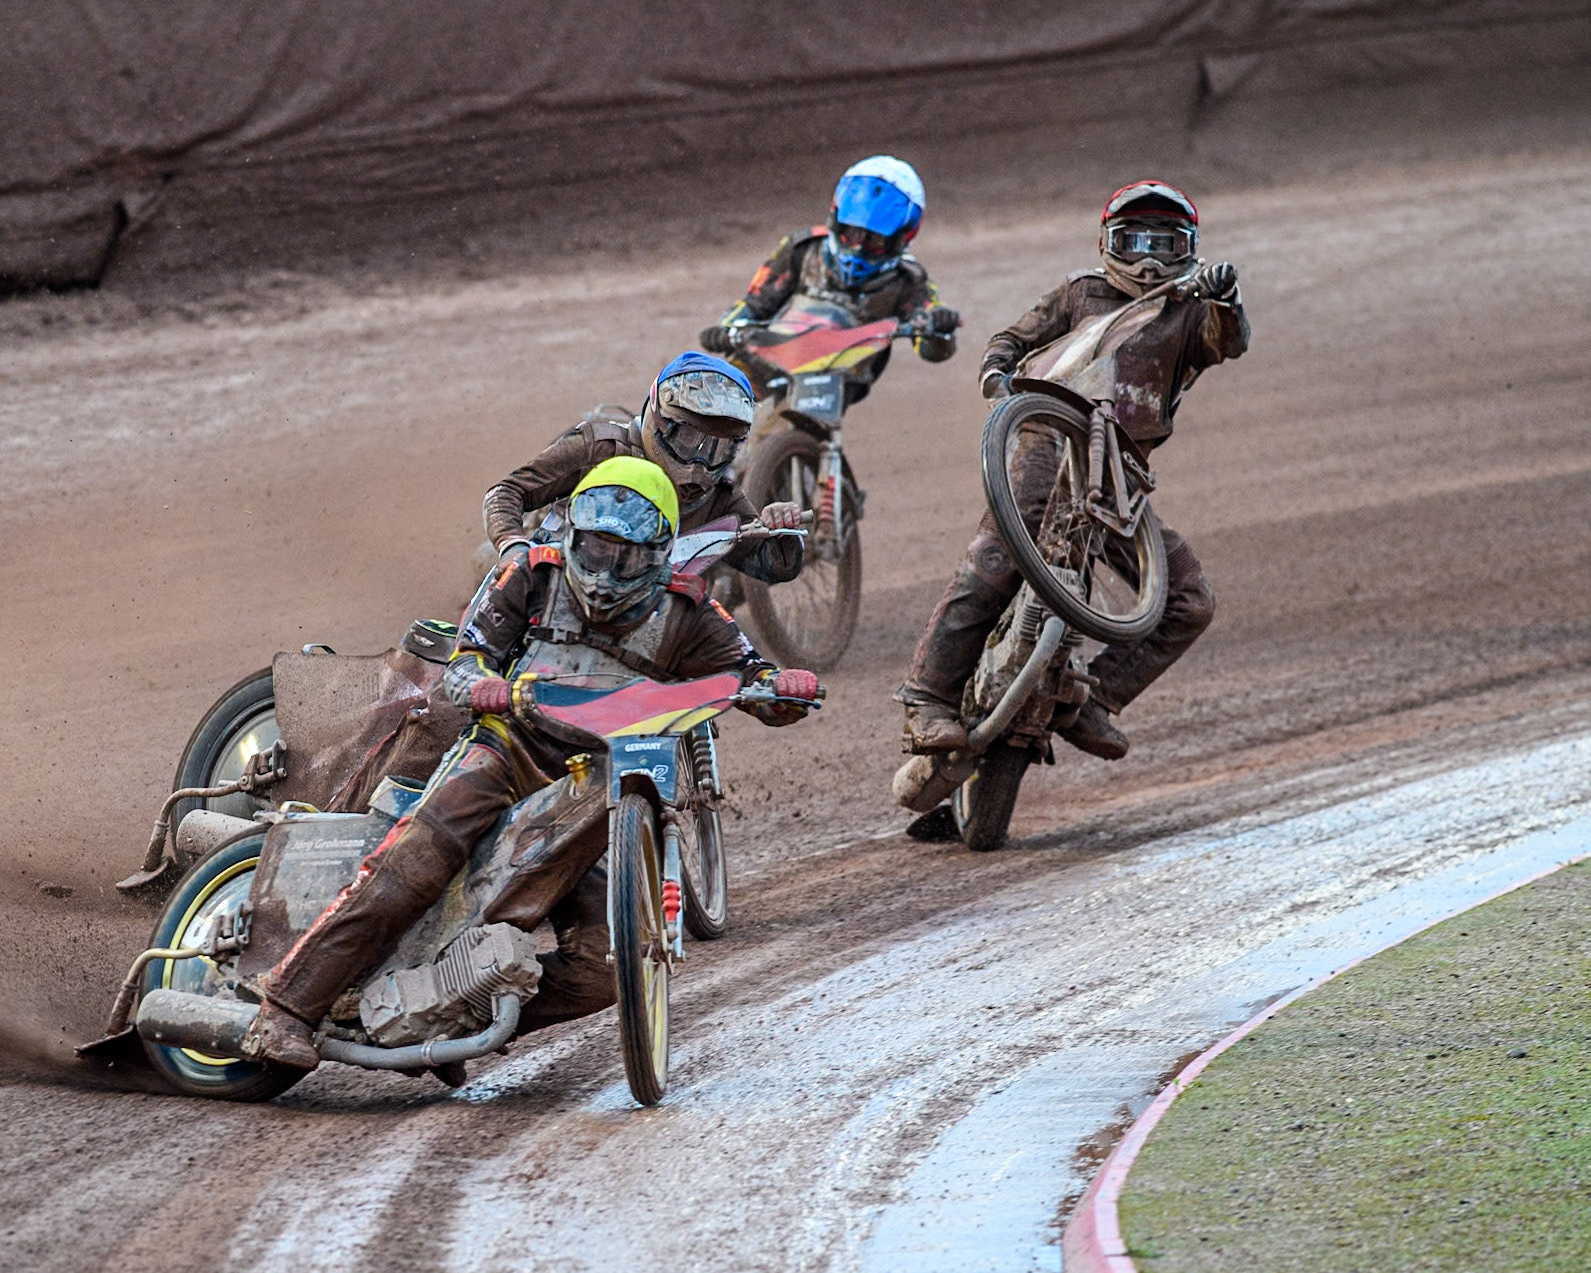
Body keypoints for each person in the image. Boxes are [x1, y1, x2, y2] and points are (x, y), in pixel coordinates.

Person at [242, 457, 819, 1067]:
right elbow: (466, 661)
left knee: (605, 971)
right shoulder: (529, 574)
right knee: (410, 866)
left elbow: (751, 676)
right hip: (506, 751)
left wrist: (782, 691)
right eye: (593, 550)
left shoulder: (690, 612)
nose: (603, 571)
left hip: (604, 790)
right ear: (571, 537)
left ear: (657, 555)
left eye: (624, 557)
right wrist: (481, 684)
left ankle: (457, 1014)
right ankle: (284, 1009)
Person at [898, 180, 1248, 761]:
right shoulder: (1080, 293)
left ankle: (1096, 700)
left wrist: (1224, 299)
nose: (1148, 259)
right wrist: (997, 376)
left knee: (1189, 599)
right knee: (993, 559)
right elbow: (1012, 339)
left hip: (1119, 473)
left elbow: (1227, 341)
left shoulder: (1192, 313)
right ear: (1107, 242)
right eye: (1134, 241)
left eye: (1165, 244)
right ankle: (928, 699)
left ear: (1190, 250)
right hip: (1046, 437)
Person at [483, 352, 805, 585]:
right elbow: (506, 492)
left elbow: (777, 566)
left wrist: (784, 532)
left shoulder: (721, 499)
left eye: (719, 448)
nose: (699, 461)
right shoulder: (600, 447)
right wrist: (511, 545)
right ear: (658, 417)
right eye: (689, 437)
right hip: (557, 596)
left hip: (642, 640)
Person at [700, 154, 960, 400]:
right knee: (714, 398)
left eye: (876, 240)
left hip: (842, 374)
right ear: (836, 219)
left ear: (903, 237)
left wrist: (940, 328)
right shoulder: (803, 249)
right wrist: (726, 329)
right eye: (852, 233)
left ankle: (818, 447)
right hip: (775, 352)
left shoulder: (908, 280)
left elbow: (930, 343)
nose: (858, 248)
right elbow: (756, 302)